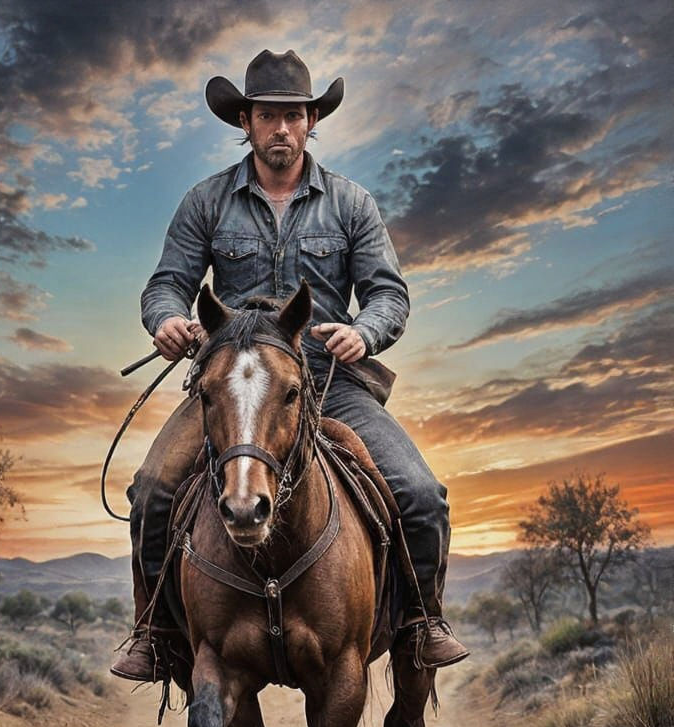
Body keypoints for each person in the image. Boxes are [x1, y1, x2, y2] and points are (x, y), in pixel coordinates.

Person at [111, 48, 469, 681]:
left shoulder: (352, 204)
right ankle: (158, 632)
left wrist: (365, 331)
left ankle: (419, 623)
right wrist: (166, 319)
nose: (282, 128)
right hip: (233, 389)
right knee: (153, 490)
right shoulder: (206, 202)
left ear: (311, 123)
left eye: (294, 116)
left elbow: (389, 292)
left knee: (421, 494)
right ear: (246, 121)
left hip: (330, 382)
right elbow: (166, 283)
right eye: (269, 114)